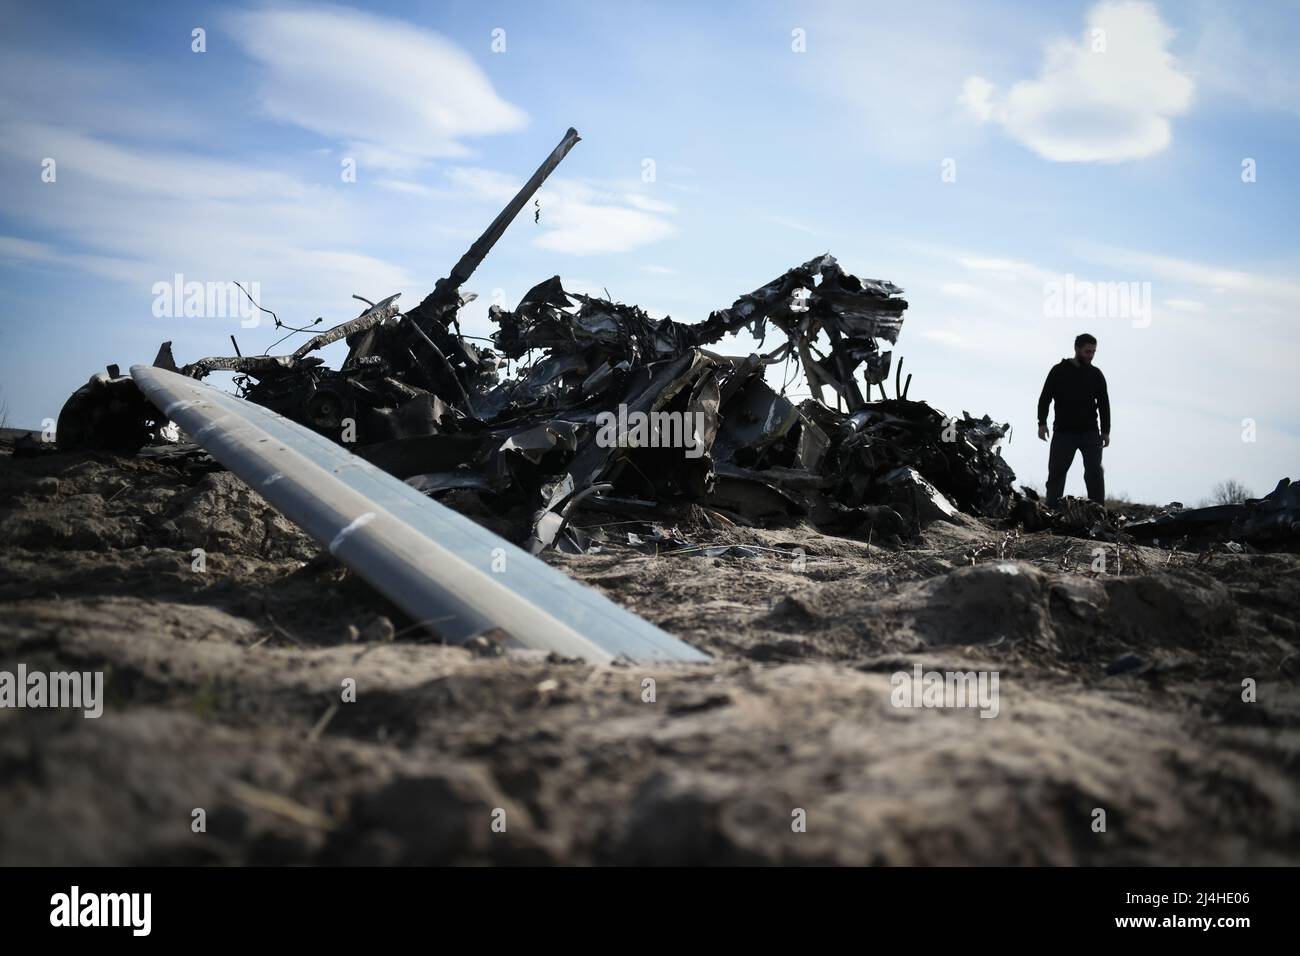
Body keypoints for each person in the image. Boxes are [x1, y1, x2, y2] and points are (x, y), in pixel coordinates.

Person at [1037, 333, 1110, 506]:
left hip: (1090, 433)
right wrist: (1042, 423)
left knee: (1095, 473)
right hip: (1064, 432)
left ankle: (1098, 512)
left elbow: (1104, 404)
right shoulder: (1058, 371)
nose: (1090, 355)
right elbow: (1045, 398)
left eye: (1093, 352)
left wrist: (1106, 431)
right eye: (1087, 351)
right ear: (1077, 349)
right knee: (1056, 474)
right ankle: (1052, 511)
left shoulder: (1096, 374)